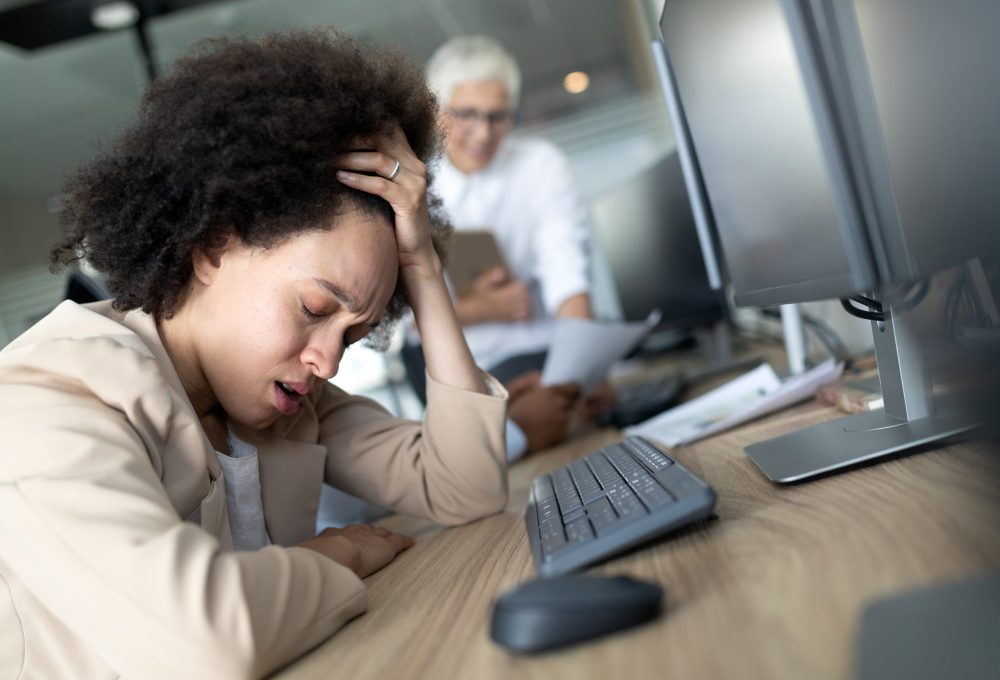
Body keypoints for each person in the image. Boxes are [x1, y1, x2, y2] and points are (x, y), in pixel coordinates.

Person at [0, 31, 510, 680]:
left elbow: (465, 489)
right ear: (213, 246)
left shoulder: (277, 401)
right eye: (315, 309)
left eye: (354, 336)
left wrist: (421, 264)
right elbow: (208, 642)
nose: (327, 361)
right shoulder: (43, 407)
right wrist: (340, 555)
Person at [406, 35, 605, 459]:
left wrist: (585, 365)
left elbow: (566, 269)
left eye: (498, 117)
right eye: (467, 115)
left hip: (547, 348)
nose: (483, 133)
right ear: (437, 111)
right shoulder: (415, 183)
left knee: (593, 412)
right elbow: (398, 320)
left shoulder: (540, 163)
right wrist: (479, 310)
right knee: (511, 441)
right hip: (472, 363)